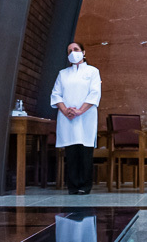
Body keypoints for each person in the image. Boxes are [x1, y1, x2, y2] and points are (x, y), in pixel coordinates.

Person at [50, 42, 101, 195]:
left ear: (83, 52)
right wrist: (65, 110)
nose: (73, 52)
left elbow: (94, 93)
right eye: (70, 51)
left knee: (85, 151)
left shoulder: (92, 71)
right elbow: (56, 94)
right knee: (71, 151)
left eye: (76, 49)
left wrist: (80, 110)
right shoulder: (63, 73)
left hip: (86, 117)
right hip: (67, 118)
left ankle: (85, 186)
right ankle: (72, 185)